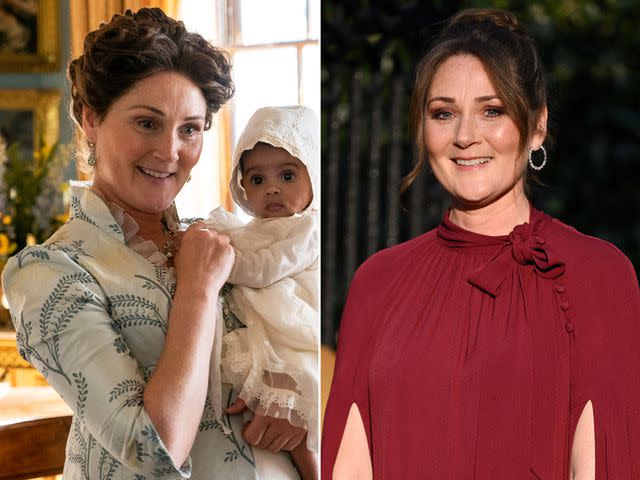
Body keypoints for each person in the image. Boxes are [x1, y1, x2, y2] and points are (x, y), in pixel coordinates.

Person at [322, 8, 640, 480]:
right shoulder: (377, 283)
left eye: (492, 111)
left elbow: (599, 465)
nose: (465, 136)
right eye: (443, 113)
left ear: (536, 126)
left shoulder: (597, 275)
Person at [3, 8, 302, 479]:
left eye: (190, 129)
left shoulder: (226, 239)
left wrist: (293, 401)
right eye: (147, 123)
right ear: (92, 120)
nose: (170, 152)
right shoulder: (48, 272)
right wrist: (198, 290)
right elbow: (153, 450)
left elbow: (297, 343)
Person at [204, 105, 319, 479]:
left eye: (287, 175)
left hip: (293, 326)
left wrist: (222, 264)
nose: (272, 188)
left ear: (313, 174)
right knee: (258, 406)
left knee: (298, 400)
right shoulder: (249, 230)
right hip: (264, 324)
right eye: (256, 180)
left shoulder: (308, 228)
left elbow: (269, 266)